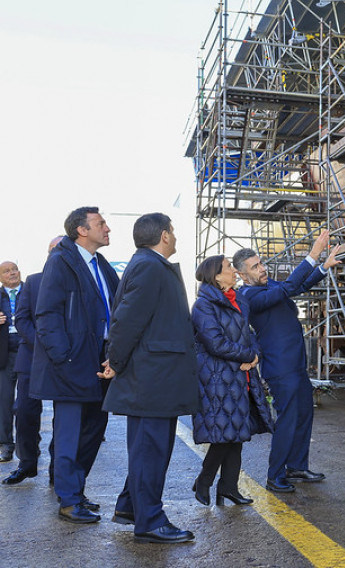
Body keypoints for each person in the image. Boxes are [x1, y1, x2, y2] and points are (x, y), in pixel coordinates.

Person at [101, 213, 199, 544]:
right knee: (150, 449)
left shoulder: (150, 264)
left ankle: (132, 507)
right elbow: (126, 319)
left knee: (150, 448)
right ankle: (150, 521)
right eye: (173, 230)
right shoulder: (148, 265)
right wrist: (115, 360)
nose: (175, 235)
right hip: (152, 378)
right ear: (164, 236)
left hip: (156, 377)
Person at [233, 230, 341, 493]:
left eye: (261, 263)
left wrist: (323, 267)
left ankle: (296, 466)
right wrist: (314, 254)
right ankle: (275, 474)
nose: (262, 269)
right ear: (242, 275)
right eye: (255, 267)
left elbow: (298, 286)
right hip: (280, 368)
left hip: (295, 363)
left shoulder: (268, 286)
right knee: (288, 419)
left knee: (304, 414)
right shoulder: (248, 296)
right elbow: (291, 287)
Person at [31, 207, 118, 524]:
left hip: (102, 361)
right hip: (70, 362)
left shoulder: (101, 264)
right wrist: (63, 357)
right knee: (68, 435)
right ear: (82, 230)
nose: (107, 228)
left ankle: (77, 492)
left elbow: (116, 309)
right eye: (100, 223)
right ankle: (68, 501)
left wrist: (116, 351)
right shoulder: (61, 261)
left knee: (93, 432)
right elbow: (47, 314)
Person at [191, 255, 273, 506]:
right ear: (216, 276)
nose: (234, 271)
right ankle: (204, 481)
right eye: (228, 268)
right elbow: (214, 342)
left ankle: (228, 487)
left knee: (237, 433)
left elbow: (248, 334)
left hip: (240, 375)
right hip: (217, 378)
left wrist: (255, 354)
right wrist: (248, 355)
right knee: (225, 435)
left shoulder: (239, 301)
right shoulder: (203, 305)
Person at [3, 237, 63, 485]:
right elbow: (22, 319)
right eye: (53, 250)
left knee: (65, 418)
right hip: (32, 357)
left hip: (64, 360)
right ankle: (27, 464)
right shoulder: (34, 281)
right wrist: (43, 344)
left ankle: (57, 469)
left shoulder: (77, 282)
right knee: (24, 412)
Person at [0, 261, 23, 463]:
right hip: (4, 356)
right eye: (6, 271)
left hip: (27, 353)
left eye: (14, 269)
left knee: (27, 404)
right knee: (4, 402)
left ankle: (28, 447)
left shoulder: (32, 291)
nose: (12, 273)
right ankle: (6, 445)